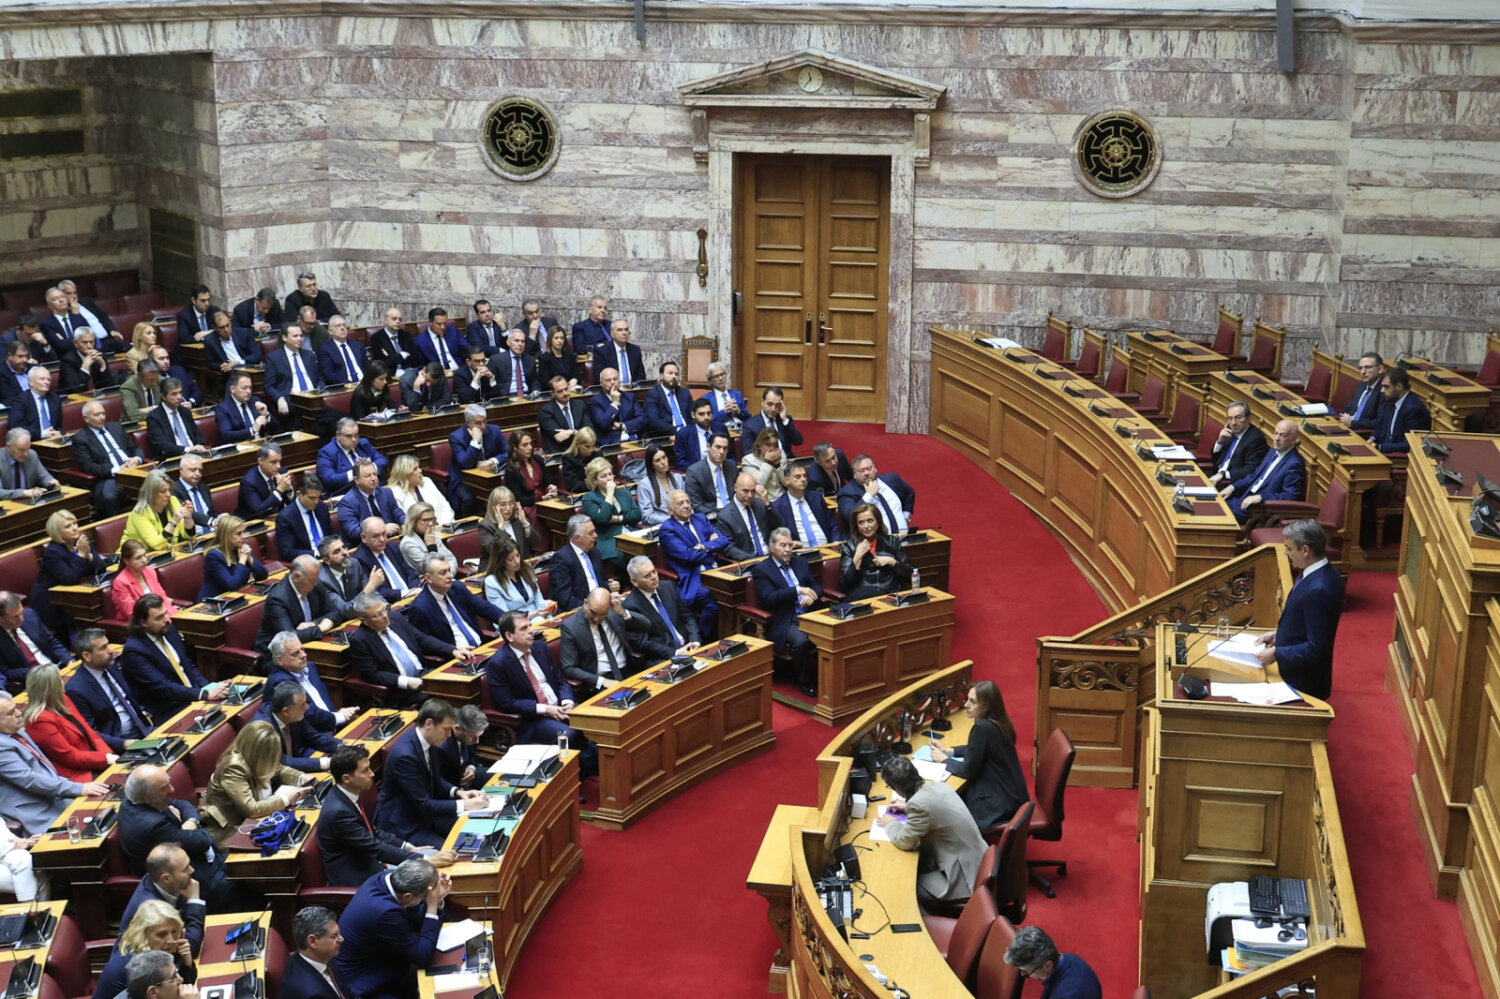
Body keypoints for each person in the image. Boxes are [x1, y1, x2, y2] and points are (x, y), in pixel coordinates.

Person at [875, 755, 987, 905]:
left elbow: (904, 841)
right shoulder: (938, 786)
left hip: (965, 879)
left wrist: (891, 824)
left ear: (897, 788)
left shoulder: (919, 805)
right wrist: (907, 806)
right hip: (980, 860)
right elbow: (931, 808)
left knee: (905, 884)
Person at [374, 701, 488, 846]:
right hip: (403, 823)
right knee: (456, 851)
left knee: (478, 830)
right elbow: (424, 805)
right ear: (429, 724)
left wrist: (459, 793)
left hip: (426, 815)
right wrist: (465, 804)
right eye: (446, 729)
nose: (449, 735)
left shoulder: (429, 741)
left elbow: (434, 779)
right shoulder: (405, 756)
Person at [336, 859, 453, 999]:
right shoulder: (385, 912)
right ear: (408, 896)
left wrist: (437, 900)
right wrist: (432, 905)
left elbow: (413, 919)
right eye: (424, 897)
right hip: (366, 983)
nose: (426, 899)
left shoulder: (388, 879)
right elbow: (422, 956)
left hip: (384, 959)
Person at [1253, 519, 1343, 700]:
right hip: (1294, 671)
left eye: (1289, 548)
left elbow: (1317, 648)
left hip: (1302, 683)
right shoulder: (1319, 571)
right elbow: (1306, 621)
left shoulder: (1320, 589)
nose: (1285, 553)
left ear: (1305, 550)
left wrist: (1277, 653)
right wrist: (1278, 635)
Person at [317, 744, 429, 887]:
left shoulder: (347, 795)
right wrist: (422, 859)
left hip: (373, 864)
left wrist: (407, 847)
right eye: (365, 771)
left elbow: (370, 831)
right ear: (347, 778)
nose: (372, 774)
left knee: (432, 857)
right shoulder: (339, 812)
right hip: (359, 881)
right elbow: (375, 847)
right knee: (428, 875)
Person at [0, 691, 109, 835]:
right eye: (10, 713)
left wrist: (76, 786)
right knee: (93, 831)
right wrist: (77, 788)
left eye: (15, 708)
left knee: (106, 807)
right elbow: (29, 779)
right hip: (35, 812)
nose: (19, 713)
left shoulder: (18, 732)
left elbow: (44, 769)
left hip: (53, 797)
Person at [928, 681, 1029, 831]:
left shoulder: (982, 728)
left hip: (997, 804)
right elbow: (978, 749)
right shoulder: (1000, 722)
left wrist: (944, 760)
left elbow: (967, 771)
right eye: (967, 699)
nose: (966, 705)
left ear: (986, 706)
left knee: (944, 806)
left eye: (972, 702)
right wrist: (949, 751)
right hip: (1012, 796)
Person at [118, 765, 228, 902]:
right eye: (164, 788)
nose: (172, 789)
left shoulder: (135, 799)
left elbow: (182, 804)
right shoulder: (152, 825)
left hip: (194, 859)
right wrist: (184, 826)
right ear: (146, 796)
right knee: (240, 882)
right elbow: (202, 840)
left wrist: (191, 822)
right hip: (187, 879)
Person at [199, 720, 312, 846]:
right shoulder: (233, 767)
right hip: (230, 830)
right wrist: (287, 799)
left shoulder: (254, 756)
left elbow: (277, 768)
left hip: (257, 821)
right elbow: (251, 810)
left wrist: (301, 777)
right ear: (257, 752)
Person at [119, 595, 228, 722]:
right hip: (171, 709)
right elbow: (163, 687)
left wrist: (210, 688)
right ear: (143, 623)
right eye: (159, 618)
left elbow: (188, 666)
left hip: (195, 696)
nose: (167, 619)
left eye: (165, 613)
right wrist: (203, 694)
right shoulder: (134, 652)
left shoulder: (169, 630)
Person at [486, 611, 582, 746]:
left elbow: (559, 680)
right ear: (509, 636)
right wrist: (546, 709)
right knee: (568, 735)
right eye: (524, 628)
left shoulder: (540, 647)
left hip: (560, 705)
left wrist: (567, 702)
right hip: (534, 718)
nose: (532, 631)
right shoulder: (498, 664)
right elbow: (507, 703)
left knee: (595, 722)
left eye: (530, 625)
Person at [751, 529, 822, 695]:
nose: (788, 549)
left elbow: (817, 586)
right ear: (772, 547)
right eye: (782, 545)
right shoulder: (762, 570)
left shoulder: (800, 562)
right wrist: (797, 590)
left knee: (835, 632)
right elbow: (770, 597)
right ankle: (805, 681)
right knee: (802, 641)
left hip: (810, 613)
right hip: (785, 619)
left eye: (790, 545)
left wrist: (812, 596)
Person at [348, 594, 452, 706]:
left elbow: (421, 639)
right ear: (364, 621)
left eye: (384, 609)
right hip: (401, 689)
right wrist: (405, 682)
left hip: (424, 673)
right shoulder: (360, 640)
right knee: (445, 697)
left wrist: (452, 650)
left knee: (455, 683)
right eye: (378, 615)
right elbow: (372, 674)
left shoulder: (396, 618)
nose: (385, 616)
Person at [23, 664, 116, 781]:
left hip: (95, 760)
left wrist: (107, 753)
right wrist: (104, 759)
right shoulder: (39, 721)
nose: (63, 682)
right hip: (78, 774)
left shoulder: (63, 699)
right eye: (59, 680)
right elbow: (69, 756)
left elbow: (88, 730)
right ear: (53, 687)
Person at [658, 489, 731, 639]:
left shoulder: (700, 518)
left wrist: (704, 546)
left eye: (688, 502)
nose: (686, 506)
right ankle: (701, 637)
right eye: (680, 503)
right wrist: (712, 548)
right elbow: (688, 556)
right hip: (694, 577)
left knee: (735, 593)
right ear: (670, 510)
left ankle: (730, 634)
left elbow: (724, 540)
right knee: (713, 603)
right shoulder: (668, 529)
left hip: (717, 569)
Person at [94, 899, 199, 999]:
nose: (171, 940)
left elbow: (178, 988)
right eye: (161, 935)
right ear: (143, 936)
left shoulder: (159, 951)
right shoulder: (136, 967)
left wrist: (186, 962)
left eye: (174, 931)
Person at [67, 628, 151, 751]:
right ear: (87, 656)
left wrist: (145, 713)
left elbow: (129, 696)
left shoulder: (110, 665)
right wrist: (123, 743)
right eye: (103, 648)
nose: (111, 651)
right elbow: (91, 733)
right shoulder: (76, 689)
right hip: (120, 742)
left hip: (143, 729)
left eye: (108, 644)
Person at [559, 586, 654, 694]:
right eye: (593, 612)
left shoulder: (614, 612)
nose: (596, 618)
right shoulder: (571, 627)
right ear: (585, 603)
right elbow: (569, 668)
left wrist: (622, 612)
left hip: (628, 671)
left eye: (602, 614)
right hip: (600, 681)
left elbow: (646, 625)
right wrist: (602, 681)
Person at [117, 842, 207, 954]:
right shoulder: (151, 908)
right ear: (166, 878)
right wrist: (194, 900)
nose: (192, 870)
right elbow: (188, 947)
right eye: (185, 869)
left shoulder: (165, 881)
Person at [32, 509, 108, 636]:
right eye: (68, 526)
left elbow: (101, 568)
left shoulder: (82, 542)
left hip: (77, 596)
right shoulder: (53, 552)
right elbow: (69, 578)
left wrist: (89, 556)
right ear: (57, 532)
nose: (74, 528)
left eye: (75, 523)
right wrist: (82, 555)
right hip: (53, 603)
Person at [406, 554, 503, 652]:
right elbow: (424, 643)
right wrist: (452, 650)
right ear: (428, 578)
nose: (450, 576)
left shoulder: (457, 588)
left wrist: (508, 620)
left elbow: (485, 608)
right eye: (443, 573)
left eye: (449, 570)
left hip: (481, 647)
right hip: (456, 655)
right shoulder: (420, 607)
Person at [265, 629, 356, 733]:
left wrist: (337, 714)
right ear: (279, 660)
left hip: (330, 725)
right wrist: (338, 717)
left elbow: (323, 699)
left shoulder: (309, 667)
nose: (303, 655)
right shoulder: (280, 682)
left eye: (302, 649)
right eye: (295, 653)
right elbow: (307, 713)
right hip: (312, 735)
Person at [1218, 419, 1305, 522]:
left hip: (1259, 509)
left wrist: (1261, 498)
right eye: (1276, 433)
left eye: (1282, 435)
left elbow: (1290, 496)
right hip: (1243, 498)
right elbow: (1254, 476)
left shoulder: (1294, 464)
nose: (1276, 439)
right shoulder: (1272, 452)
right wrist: (1232, 487)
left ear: (1293, 439)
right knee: (1213, 504)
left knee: (1216, 512)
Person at [72, 399, 145, 517]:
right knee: (109, 497)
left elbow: (135, 447)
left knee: (160, 481)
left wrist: (137, 459)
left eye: (103, 413)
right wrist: (116, 470)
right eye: (97, 415)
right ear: (86, 418)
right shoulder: (81, 438)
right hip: (110, 478)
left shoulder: (116, 427)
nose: (102, 417)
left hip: (134, 470)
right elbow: (89, 467)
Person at [254, 679, 341, 773]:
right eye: (303, 705)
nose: (307, 707)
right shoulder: (263, 730)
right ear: (286, 711)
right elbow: (280, 762)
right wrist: (326, 762)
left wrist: (341, 746)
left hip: (294, 769)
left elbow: (312, 736)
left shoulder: (293, 715)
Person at [623, 556, 700, 655]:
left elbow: (688, 617)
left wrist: (695, 641)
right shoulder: (630, 606)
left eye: (654, 571)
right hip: (663, 656)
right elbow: (642, 643)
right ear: (635, 582)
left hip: (689, 646)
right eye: (647, 576)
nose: (654, 577)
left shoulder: (669, 587)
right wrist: (676, 653)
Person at [1003, 925, 1103, 999]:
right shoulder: (1072, 959)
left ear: (1048, 965)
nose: (1024, 974)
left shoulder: (1063, 995)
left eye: (1026, 972)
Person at [839, 501, 913, 600]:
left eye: (870, 521)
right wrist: (857, 556)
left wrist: (893, 562)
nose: (866, 526)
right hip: (862, 596)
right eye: (861, 522)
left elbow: (911, 574)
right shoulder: (850, 546)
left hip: (890, 592)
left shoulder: (892, 542)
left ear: (878, 521)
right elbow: (845, 582)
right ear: (856, 525)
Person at [582, 457, 642, 572]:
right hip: (609, 540)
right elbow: (603, 518)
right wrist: (609, 494)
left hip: (632, 533)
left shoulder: (624, 493)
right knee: (626, 557)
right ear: (595, 481)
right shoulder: (589, 498)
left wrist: (617, 518)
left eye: (610, 474)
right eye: (604, 476)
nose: (609, 478)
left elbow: (637, 515)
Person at [0, 589, 70, 689]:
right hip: (34, 682)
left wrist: (68, 659)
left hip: (58, 669)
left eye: (21, 612)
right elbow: (6, 672)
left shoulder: (30, 615)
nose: (21, 619)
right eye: (15, 617)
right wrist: (39, 672)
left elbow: (51, 642)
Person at [448, 404, 508, 514]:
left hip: (490, 476)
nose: (483, 426)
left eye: (485, 421)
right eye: (478, 423)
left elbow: (508, 452)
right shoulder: (456, 437)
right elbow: (466, 463)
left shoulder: (494, 430)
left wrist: (492, 460)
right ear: (467, 422)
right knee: (469, 499)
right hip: (465, 480)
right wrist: (475, 442)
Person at [283, 906, 352, 999]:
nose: (341, 939)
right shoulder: (311, 994)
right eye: (334, 936)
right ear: (312, 941)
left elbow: (346, 992)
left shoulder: (320, 956)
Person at [836, 454, 916, 534]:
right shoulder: (847, 493)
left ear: (875, 468)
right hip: (874, 541)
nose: (866, 473)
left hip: (904, 538)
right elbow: (849, 516)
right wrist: (869, 496)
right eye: (861, 471)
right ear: (854, 474)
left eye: (869, 468)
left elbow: (909, 493)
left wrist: (905, 517)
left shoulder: (891, 479)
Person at [550, 514, 613, 612]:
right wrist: (589, 609)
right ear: (577, 538)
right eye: (591, 533)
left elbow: (600, 582)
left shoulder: (595, 553)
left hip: (601, 605)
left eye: (594, 531)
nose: (595, 535)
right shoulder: (561, 559)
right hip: (580, 610)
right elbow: (564, 597)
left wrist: (611, 587)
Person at [352, 515, 419, 604]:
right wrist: (407, 593)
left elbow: (410, 572)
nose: (382, 539)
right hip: (392, 606)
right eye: (376, 536)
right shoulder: (359, 560)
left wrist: (414, 590)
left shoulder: (392, 547)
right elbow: (375, 591)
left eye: (384, 534)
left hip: (414, 596)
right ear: (364, 537)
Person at [197, 516, 267, 601]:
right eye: (238, 533)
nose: (243, 536)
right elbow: (232, 585)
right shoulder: (214, 556)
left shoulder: (241, 547)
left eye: (243, 532)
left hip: (235, 598)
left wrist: (249, 557)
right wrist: (242, 560)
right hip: (213, 602)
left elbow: (263, 575)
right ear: (226, 536)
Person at [264, 323, 325, 420]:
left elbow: (319, 379)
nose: (299, 339)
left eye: (301, 335)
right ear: (284, 338)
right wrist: (279, 398)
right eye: (295, 336)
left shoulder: (309, 355)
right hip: (292, 400)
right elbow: (268, 386)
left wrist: (321, 391)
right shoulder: (274, 358)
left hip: (313, 398)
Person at [122, 470, 193, 552]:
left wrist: (188, 517)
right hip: (135, 556)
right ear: (151, 493)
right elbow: (157, 545)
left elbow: (188, 535)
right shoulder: (139, 512)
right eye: (163, 491)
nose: (168, 494)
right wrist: (174, 521)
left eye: (169, 490)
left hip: (166, 553)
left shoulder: (173, 501)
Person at [336, 459, 404, 544]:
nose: (373, 478)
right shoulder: (347, 502)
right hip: (365, 546)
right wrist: (382, 530)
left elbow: (398, 514)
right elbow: (354, 531)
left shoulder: (386, 492)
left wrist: (406, 523)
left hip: (391, 540)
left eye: (375, 474)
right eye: (368, 476)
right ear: (356, 480)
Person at [318, 417, 391, 498]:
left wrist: (370, 466)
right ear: (338, 435)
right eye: (349, 436)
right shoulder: (327, 452)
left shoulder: (363, 444)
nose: (354, 439)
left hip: (375, 491)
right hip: (347, 496)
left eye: (356, 435)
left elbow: (382, 460)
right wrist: (356, 472)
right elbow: (329, 479)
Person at [773, 462, 841, 547]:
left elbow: (832, 525)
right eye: (798, 477)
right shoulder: (778, 506)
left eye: (805, 476)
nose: (803, 479)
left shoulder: (817, 498)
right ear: (787, 480)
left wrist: (836, 543)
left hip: (827, 548)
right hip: (801, 551)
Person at [481, 538, 552, 616]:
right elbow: (504, 617)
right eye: (510, 559)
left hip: (538, 617)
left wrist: (546, 605)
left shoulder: (527, 570)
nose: (517, 561)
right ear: (501, 562)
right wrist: (533, 615)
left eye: (517, 555)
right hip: (514, 622)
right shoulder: (492, 582)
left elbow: (538, 601)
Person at [1370, 365, 1432, 454]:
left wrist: (1379, 447)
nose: (1382, 390)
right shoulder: (1391, 400)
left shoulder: (1414, 409)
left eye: (1386, 387)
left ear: (1398, 387)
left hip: (1398, 457)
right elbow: (1382, 426)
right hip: (1385, 451)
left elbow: (1410, 444)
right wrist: (1372, 438)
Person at [1207, 400, 1269, 487]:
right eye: (1230, 418)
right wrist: (1220, 442)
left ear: (1248, 418)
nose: (1233, 423)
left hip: (1229, 483)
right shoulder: (1231, 433)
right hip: (1214, 476)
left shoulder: (1255, 438)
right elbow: (1216, 462)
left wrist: (1223, 474)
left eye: (1238, 417)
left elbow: (1251, 469)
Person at [719, 472, 780, 560]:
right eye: (745, 491)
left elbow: (778, 527)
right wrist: (754, 559)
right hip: (749, 560)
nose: (750, 495)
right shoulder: (725, 516)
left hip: (772, 556)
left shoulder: (760, 504)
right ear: (735, 488)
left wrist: (767, 504)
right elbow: (729, 547)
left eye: (753, 491)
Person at [315, 535, 377, 619]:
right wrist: (370, 587)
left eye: (344, 547)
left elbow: (374, 594)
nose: (344, 552)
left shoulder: (354, 564)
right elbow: (345, 612)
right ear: (327, 560)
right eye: (337, 551)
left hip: (360, 616)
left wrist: (385, 606)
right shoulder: (322, 580)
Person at [112, 541, 175, 624]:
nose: (144, 560)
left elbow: (162, 597)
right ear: (126, 561)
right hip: (142, 623)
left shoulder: (149, 571)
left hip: (163, 617)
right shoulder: (120, 582)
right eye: (138, 558)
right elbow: (131, 613)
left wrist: (172, 615)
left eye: (144, 555)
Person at [145, 378, 207, 460]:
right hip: (174, 458)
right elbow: (161, 445)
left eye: (180, 392)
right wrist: (187, 449)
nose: (179, 397)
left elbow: (198, 436)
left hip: (196, 454)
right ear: (163, 396)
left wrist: (199, 445)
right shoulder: (154, 418)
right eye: (174, 394)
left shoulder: (185, 412)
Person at [277, 474, 334, 562]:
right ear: (299, 494)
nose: (316, 502)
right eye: (312, 498)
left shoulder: (322, 507)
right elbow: (288, 553)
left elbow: (330, 535)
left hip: (330, 556)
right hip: (308, 561)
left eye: (318, 497)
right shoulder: (285, 517)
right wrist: (316, 553)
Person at [235, 443, 294, 521]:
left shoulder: (282, 472)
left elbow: (294, 504)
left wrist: (288, 489)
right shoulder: (249, 482)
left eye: (279, 461)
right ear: (260, 461)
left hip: (277, 519)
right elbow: (259, 511)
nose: (278, 466)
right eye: (273, 462)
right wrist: (279, 490)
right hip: (251, 523)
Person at [213, 370, 276, 443]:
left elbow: (277, 428)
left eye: (250, 387)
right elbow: (226, 435)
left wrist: (266, 414)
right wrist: (252, 430)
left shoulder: (255, 401)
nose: (248, 391)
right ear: (232, 389)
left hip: (262, 444)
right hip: (241, 446)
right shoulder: (222, 409)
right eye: (244, 388)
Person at [389, 454, 454, 525]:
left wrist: (445, 524)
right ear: (405, 474)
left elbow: (444, 506)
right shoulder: (394, 492)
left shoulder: (427, 481)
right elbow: (404, 521)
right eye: (415, 469)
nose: (420, 471)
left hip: (443, 526)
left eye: (419, 467)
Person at [398, 502, 459, 577]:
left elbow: (451, 558)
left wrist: (449, 575)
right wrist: (431, 547)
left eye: (432, 519)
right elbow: (432, 570)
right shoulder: (408, 544)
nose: (430, 524)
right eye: (426, 520)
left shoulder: (432, 534)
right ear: (413, 521)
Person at [588, 366, 646, 444]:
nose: (612, 382)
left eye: (615, 379)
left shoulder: (630, 397)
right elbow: (603, 423)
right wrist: (614, 403)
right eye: (608, 380)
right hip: (611, 443)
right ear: (601, 383)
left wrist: (622, 426)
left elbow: (642, 419)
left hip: (633, 438)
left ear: (619, 380)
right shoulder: (595, 402)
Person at [684, 431, 737, 515]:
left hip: (734, 511)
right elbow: (696, 505)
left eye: (725, 448)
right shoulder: (694, 471)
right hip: (711, 514)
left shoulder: (731, 466)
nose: (721, 452)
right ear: (708, 446)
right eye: (718, 447)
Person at [742, 385, 803, 457]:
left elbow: (798, 441)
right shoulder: (750, 425)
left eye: (777, 405)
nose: (773, 409)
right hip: (764, 462)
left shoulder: (784, 420)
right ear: (762, 402)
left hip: (787, 461)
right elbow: (749, 453)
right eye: (770, 404)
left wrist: (785, 420)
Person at [0, 427, 59, 501]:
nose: (26, 454)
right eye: (21, 450)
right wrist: (23, 493)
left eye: (28, 448)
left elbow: (44, 476)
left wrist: (51, 482)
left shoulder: (32, 455)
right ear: (8, 446)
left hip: (28, 502)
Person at [434, 704, 486, 788]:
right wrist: (458, 791)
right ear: (457, 728)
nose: (477, 741)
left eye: (479, 736)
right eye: (473, 737)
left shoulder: (468, 733)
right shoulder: (442, 747)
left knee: (503, 777)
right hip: (453, 787)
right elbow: (439, 781)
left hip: (467, 775)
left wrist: (471, 768)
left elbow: (471, 757)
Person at [503, 429, 557, 508]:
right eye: (525, 445)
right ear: (515, 447)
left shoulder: (538, 460)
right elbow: (519, 498)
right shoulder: (511, 470)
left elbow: (547, 480)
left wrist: (550, 487)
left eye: (530, 443)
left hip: (547, 502)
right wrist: (541, 498)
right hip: (528, 507)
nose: (530, 447)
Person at [637, 443, 685, 527]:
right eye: (657, 460)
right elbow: (647, 516)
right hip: (662, 526)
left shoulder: (677, 478)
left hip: (683, 522)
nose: (663, 462)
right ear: (652, 465)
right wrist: (672, 520)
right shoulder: (644, 484)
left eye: (664, 457)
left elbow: (686, 503)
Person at [538, 375, 588, 453]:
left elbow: (589, 429)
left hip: (583, 449)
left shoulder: (580, 405)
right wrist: (579, 432)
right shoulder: (545, 411)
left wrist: (572, 432)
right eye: (560, 391)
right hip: (560, 452)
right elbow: (559, 437)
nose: (565, 393)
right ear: (552, 393)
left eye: (566, 389)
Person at [59, 327, 118, 393]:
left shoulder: (100, 355)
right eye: (84, 342)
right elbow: (76, 389)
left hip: (98, 396)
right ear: (75, 343)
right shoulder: (67, 360)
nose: (89, 346)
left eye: (91, 342)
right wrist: (85, 367)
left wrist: (102, 365)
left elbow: (110, 386)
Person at [1338, 351, 1386, 430]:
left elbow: (1379, 422)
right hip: (1348, 428)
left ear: (1380, 369)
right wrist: (1345, 417)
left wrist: (1353, 424)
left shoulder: (1384, 390)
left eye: (1368, 367)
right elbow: (1346, 409)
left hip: (1363, 432)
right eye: (1360, 368)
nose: (1363, 372)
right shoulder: (1362, 385)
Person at [741, 427, 791, 503]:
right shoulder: (748, 461)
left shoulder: (781, 458)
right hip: (763, 501)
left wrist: (778, 466)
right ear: (759, 445)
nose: (772, 448)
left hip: (782, 497)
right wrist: (768, 462)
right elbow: (758, 483)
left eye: (775, 445)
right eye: (768, 445)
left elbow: (787, 483)